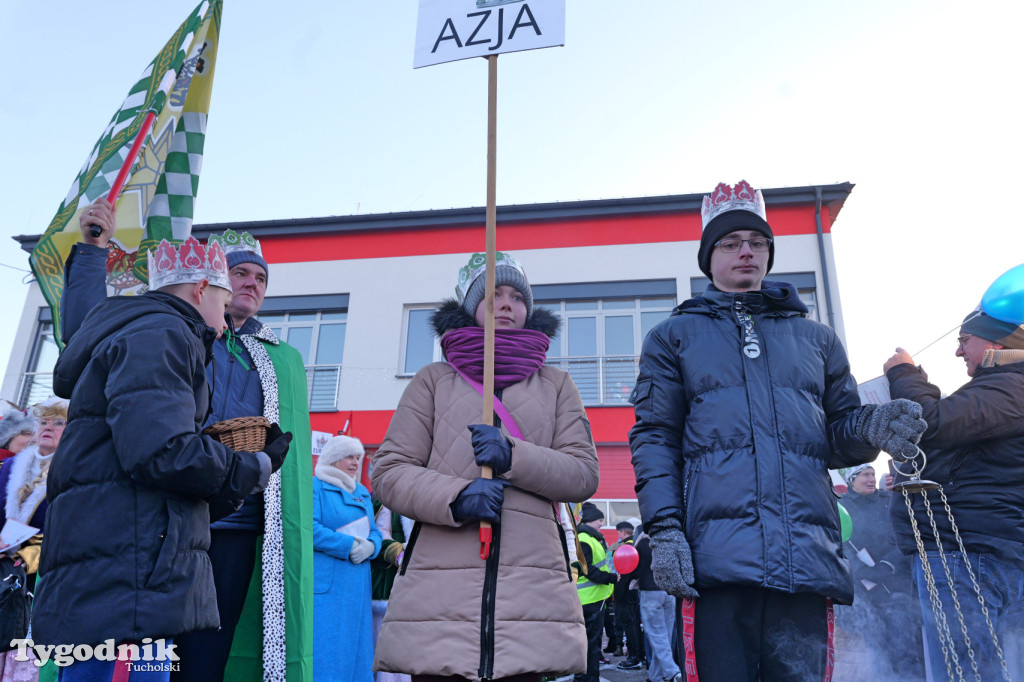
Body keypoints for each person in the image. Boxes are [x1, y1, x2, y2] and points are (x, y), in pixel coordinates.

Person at [628, 179, 927, 681]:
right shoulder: (672, 337)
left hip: (804, 559)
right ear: (708, 257)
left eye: (757, 241)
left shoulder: (817, 339)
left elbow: (838, 436)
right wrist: (665, 530)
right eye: (730, 242)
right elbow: (655, 438)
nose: (746, 251)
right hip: (714, 563)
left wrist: (871, 426)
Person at [62, 200, 314, 681]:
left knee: (202, 657)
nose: (251, 284)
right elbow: (87, 334)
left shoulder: (282, 358)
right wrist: (94, 250)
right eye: (239, 274)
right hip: (164, 510)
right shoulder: (167, 331)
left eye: (261, 278)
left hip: (235, 519)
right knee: (140, 652)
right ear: (208, 283)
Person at [370, 252, 600, 682]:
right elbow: (388, 471)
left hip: (530, 606)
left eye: (517, 296)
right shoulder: (433, 381)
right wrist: (456, 497)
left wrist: (514, 456)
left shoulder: (556, 386)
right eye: (494, 294)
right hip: (438, 606)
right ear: (471, 306)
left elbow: (583, 473)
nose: (506, 303)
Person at [884, 308, 1024, 681]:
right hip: (970, 553)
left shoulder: (1011, 385)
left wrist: (904, 374)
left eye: (964, 341)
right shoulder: (1003, 387)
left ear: (997, 344)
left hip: (968, 556)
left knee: (965, 674)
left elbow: (932, 424)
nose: (959, 352)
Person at [835, 464, 922, 678]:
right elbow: (841, 545)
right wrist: (861, 571)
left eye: (873, 474)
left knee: (905, 648)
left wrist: (886, 565)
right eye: (865, 475)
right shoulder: (842, 507)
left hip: (896, 587)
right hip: (866, 592)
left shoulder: (888, 501)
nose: (871, 479)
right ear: (852, 480)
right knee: (878, 651)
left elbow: (903, 535)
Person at [312, 435, 382, 682]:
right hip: (329, 586)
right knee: (327, 648)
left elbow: (375, 531)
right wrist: (348, 545)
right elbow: (310, 529)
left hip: (358, 585)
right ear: (333, 458)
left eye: (357, 457)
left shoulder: (361, 491)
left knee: (358, 651)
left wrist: (372, 546)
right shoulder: (316, 487)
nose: (355, 462)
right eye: (349, 457)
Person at [0, 398, 67, 591]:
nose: (48, 427)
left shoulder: (74, 474)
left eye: (58, 422)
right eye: (43, 422)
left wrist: (33, 555)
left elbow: (75, 529)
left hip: (37, 581)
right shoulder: (7, 467)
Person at [575, 502, 617, 682]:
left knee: (590, 645)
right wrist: (611, 578)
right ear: (591, 520)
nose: (602, 524)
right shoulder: (585, 539)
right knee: (591, 646)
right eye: (600, 520)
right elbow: (588, 570)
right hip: (589, 600)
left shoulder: (591, 538)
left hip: (593, 599)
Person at [634, 527, 681, 682]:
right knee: (665, 637)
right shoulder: (671, 539)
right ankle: (656, 676)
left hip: (650, 592)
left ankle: (673, 672)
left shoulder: (643, 543)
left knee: (657, 636)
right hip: (669, 592)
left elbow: (636, 569)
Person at [613, 521, 644, 671]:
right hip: (634, 593)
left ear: (623, 532)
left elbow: (623, 575)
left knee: (630, 626)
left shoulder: (626, 548)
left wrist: (617, 594)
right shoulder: (637, 545)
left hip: (626, 594)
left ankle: (634, 657)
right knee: (635, 625)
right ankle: (640, 654)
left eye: (619, 533)